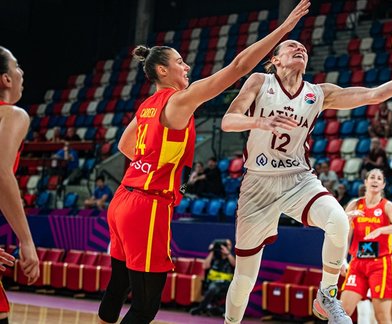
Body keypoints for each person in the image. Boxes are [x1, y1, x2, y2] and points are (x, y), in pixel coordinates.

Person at [97, 2, 310, 323]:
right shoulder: (180, 98)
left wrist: (156, 167)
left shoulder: (147, 106)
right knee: (145, 306)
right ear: (162, 71)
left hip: (122, 200)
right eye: (180, 62)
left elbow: (125, 145)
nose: (186, 67)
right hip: (147, 206)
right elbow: (239, 67)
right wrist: (283, 30)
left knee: (118, 285)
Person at [220, 27, 392, 324]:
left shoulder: (317, 93)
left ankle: (327, 293)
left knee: (338, 219)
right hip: (258, 182)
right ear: (275, 59)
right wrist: (260, 121)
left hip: (299, 178)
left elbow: (372, 95)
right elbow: (227, 121)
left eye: (304, 48)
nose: (301, 49)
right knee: (245, 276)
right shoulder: (261, 81)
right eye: (292, 46)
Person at [0, 46, 40, 323]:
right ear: (6, 79)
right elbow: (1, 171)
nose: (21, 71)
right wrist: (26, 241)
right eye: (17, 66)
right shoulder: (13, 114)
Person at [339, 168, 392, 324]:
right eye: (372, 177)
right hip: (357, 263)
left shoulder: (387, 206)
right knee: (342, 312)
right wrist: (348, 216)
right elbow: (341, 232)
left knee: (382, 316)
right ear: (366, 182)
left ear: (383, 185)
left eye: (379, 178)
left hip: (380, 264)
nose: (375, 180)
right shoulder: (355, 204)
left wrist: (381, 230)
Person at [189, 239, 236, 316]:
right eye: (224, 245)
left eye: (228, 245)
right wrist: (212, 251)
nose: (225, 247)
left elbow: (234, 264)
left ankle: (226, 311)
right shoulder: (215, 257)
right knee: (212, 288)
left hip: (226, 284)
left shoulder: (231, 257)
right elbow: (205, 266)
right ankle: (202, 308)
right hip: (213, 283)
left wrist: (227, 254)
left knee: (221, 289)